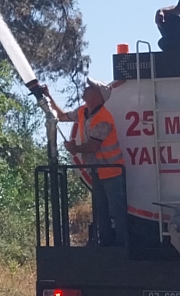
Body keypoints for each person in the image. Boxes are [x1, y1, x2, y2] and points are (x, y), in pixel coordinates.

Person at [49, 79, 126, 246]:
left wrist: (74, 148)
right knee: (101, 211)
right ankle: (106, 246)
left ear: (98, 96)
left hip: (112, 172)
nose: (86, 88)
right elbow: (61, 116)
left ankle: (122, 247)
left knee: (117, 211)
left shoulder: (104, 118)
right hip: (97, 171)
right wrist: (49, 97)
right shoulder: (83, 111)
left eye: (91, 87)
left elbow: (93, 146)